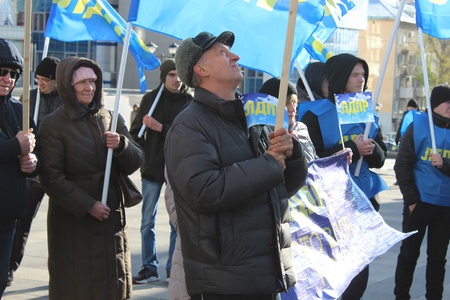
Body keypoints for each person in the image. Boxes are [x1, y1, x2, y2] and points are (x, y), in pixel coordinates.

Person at [165, 30, 308, 299]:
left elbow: (284, 187)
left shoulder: (252, 117)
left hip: (264, 274)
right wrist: (269, 164)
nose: (235, 56)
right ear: (200, 69)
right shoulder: (189, 125)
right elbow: (204, 190)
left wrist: (292, 152)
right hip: (225, 281)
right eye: (222, 52)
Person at [38, 56, 144, 299]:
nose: (89, 87)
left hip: (111, 217)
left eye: (93, 81)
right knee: (78, 285)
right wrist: (88, 205)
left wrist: (122, 146)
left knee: (112, 283)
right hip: (74, 222)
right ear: (67, 85)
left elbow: (137, 160)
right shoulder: (53, 124)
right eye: (82, 82)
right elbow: (51, 177)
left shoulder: (110, 117)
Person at [299, 53, 388, 300]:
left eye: (364, 75)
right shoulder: (313, 114)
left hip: (363, 202)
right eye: (355, 75)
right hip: (329, 203)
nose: (361, 80)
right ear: (340, 77)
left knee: (359, 275)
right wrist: (348, 146)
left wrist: (370, 148)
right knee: (332, 273)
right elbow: (311, 158)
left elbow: (380, 159)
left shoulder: (367, 112)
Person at [129, 58, 193, 283]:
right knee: (147, 220)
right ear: (164, 77)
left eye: (179, 75)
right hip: (153, 168)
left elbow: (187, 136)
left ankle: (171, 269)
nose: (176, 80)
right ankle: (149, 267)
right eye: (171, 75)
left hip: (178, 168)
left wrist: (160, 128)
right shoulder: (150, 100)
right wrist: (145, 148)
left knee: (176, 221)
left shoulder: (189, 101)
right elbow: (135, 133)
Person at [8, 56, 62, 286]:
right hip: (33, 170)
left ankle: (61, 273)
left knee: (61, 226)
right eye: (38, 79)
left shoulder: (67, 100)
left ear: (57, 81)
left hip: (59, 170)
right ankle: (9, 266)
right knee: (21, 223)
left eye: (46, 80)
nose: (41, 84)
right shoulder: (28, 98)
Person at [393, 85, 450, 300]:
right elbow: (402, 165)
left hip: (445, 207)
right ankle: (401, 296)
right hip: (419, 203)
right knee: (408, 256)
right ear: (435, 104)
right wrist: (412, 200)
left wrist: (445, 164)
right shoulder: (417, 126)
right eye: (447, 102)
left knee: (437, 259)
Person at [0, 38, 39, 297]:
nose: (8, 78)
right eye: (2, 71)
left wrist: (33, 163)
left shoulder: (19, 110)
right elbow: (14, 146)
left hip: (8, 215)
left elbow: (38, 156)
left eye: (14, 73)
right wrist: (16, 147)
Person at [259, 77, 318, 163]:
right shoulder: (261, 134)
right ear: (270, 106)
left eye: (294, 103)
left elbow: (314, 162)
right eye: (286, 104)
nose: (293, 109)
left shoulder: (300, 128)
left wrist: (336, 157)